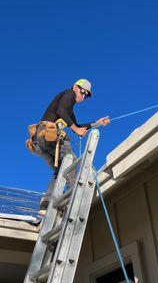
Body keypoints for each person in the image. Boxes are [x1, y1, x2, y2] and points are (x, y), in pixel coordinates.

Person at [28, 79, 110, 214]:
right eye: (83, 92)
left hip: (40, 141)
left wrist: (97, 123)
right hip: (48, 134)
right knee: (70, 159)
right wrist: (77, 130)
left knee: (60, 170)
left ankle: (46, 203)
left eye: (86, 95)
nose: (83, 96)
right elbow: (61, 111)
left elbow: (76, 125)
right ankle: (73, 203)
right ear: (75, 87)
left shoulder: (68, 110)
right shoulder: (69, 93)